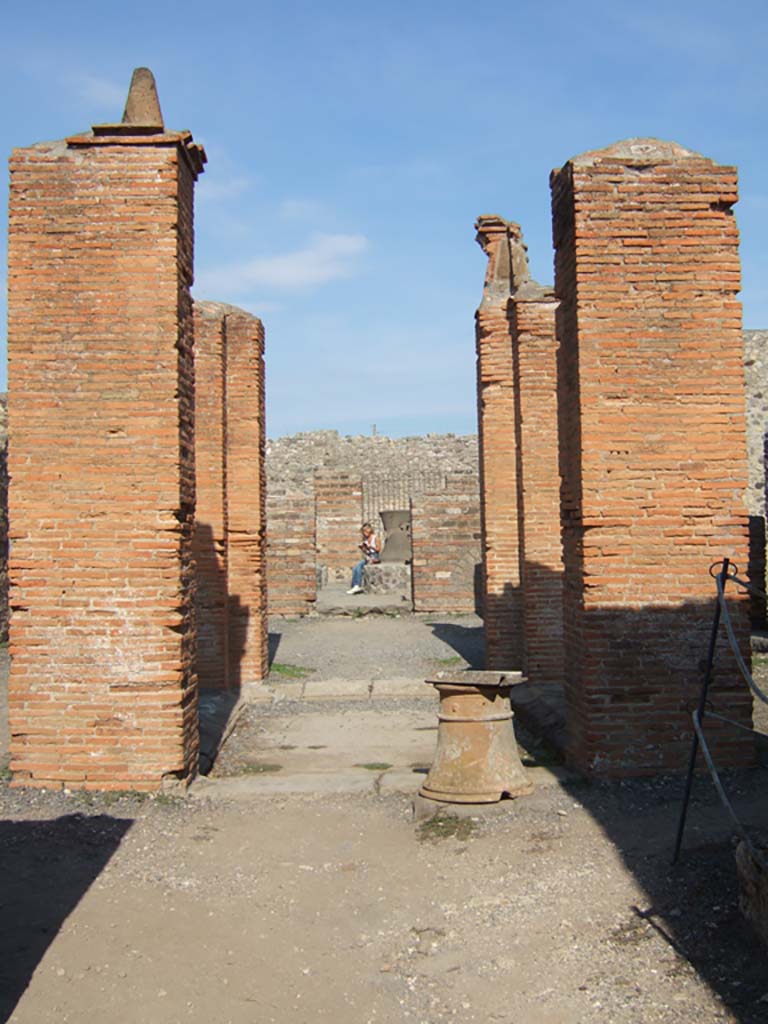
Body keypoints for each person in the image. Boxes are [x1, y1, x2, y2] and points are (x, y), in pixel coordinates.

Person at [347, 522, 381, 594]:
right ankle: (355, 585)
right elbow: (366, 552)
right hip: (368, 556)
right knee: (355, 568)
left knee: (359, 566)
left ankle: (357, 585)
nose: (364, 533)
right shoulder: (365, 539)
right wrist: (363, 548)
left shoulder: (375, 538)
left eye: (365, 531)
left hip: (374, 556)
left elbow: (378, 549)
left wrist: (370, 547)